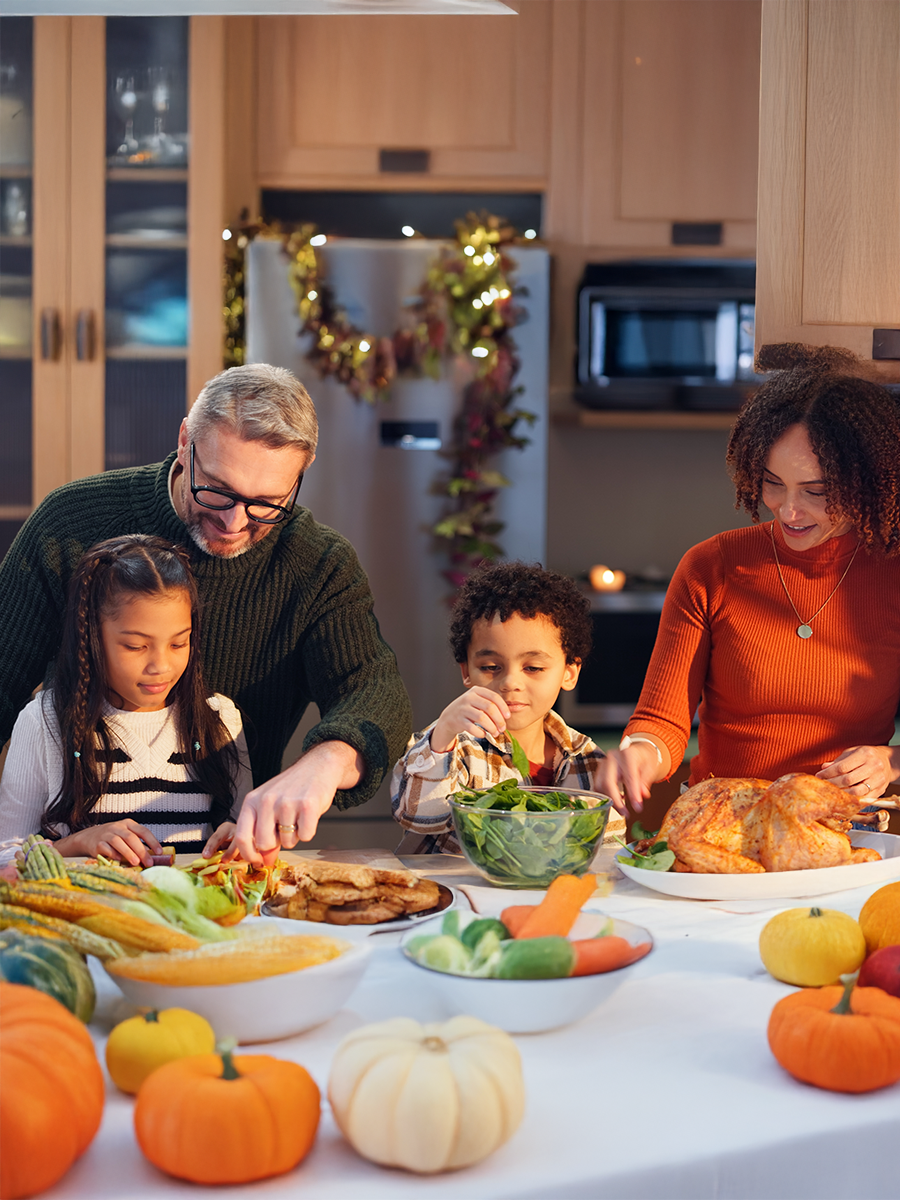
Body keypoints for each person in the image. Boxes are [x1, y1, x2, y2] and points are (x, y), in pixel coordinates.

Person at [0, 364, 412, 863]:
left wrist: (327, 759)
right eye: (216, 489)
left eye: (267, 504)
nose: (234, 522)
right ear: (184, 443)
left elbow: (374, 692)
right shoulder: (69, 523)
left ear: (298, 480)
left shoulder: (318, 565)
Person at [595, 345, 900, 815]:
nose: (788, 509)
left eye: (817, 491)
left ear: (868, 482)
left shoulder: (892, 573)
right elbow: (662, 720)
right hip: (719, 820)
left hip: (841, 830)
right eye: (772, 482)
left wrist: (892, 762)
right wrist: (639, 753)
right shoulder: (710, 567)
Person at [0, 535, 252, 867]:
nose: (160, 666)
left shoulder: (219, 720)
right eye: (135, 646)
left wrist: (238, 839)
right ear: (91, 638)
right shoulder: (45, 722)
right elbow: (6, 857)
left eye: (178, 644)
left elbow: (247, 834)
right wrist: (77, 843)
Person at [391, 561, 626, 852]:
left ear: (569, 672)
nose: (510, 682)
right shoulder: (452, 745)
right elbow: (415, 815)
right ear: (466, 671)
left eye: (533, 668)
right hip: (457, 895)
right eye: (491, 666)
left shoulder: (589, 759)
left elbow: (608, 851)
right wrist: (444, 733)